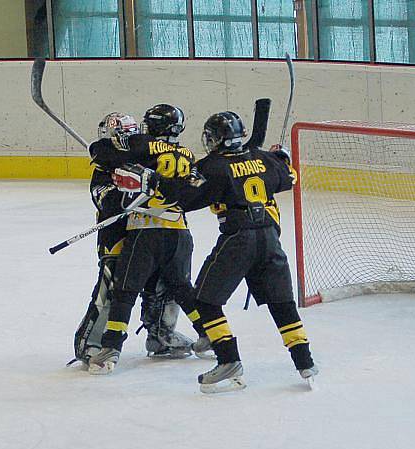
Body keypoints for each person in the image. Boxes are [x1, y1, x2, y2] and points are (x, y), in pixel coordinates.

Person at [113, 111, 318, 392]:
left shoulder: (213, 166)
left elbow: (185, 198)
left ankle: (228, 360)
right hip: (270, 239)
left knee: (205, 301)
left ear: (215, 139)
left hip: (239, 239)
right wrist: (280, 158)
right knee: (282, 303)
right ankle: (305, 361)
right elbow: (289, 177)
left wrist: (153, 182)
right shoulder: (264, 159)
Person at [86, 104, 210, 375]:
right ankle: (212, 335)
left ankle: (125, 344)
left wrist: (99, 150)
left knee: (127, 290)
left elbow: (104, 152)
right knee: (179, 287)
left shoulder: (140, 148)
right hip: (174, 231)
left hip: (143, 230)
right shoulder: (186, 153)